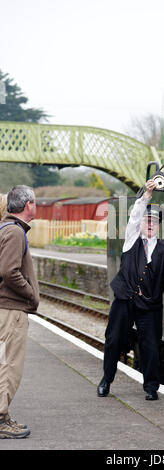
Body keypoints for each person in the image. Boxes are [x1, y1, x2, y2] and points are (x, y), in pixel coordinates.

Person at [97, 179, 164, 401]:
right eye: (146, 221)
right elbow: (136, 213)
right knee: (113, 340)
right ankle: (106, 380)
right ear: (140, 224)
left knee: (151, 346)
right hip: (124, 299)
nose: (149, 224)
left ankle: (150, 387)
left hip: (150, 306)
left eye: (153, 222)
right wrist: (147, 194)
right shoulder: (131, 239)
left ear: (158, 226)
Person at [0, 185, 39, 439]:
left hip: (6, 307)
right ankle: (1, 419)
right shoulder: (14, 232)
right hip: (11, 309)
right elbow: (9, 271)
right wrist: (31, 294)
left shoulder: (5, 228)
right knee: (10, 365)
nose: (36, 206)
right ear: (28, 205)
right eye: (35, 202)